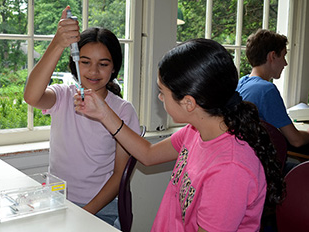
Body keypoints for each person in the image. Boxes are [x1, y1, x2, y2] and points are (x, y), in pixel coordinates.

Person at [74, 38, 285, 231]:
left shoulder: (230, 169)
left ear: (188, 103)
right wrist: (103, 113)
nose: (159, 97)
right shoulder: (196, 131)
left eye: (162, 92)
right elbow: (147, 154)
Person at [23, 6, 140, 229]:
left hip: (100, 208)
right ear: (75, 62)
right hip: (56, 201)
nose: (93, 72)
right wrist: (58, 43)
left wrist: (84, 214)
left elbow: (119, 176)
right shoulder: (63, 96)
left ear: (114, 67)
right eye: (85, 62)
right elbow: (31, 96)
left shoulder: (124, 111)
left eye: (103, 64)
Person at [236, 29, 309, 150]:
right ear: (273, 56)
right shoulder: (266, 90)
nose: (285, 63)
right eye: (284, 56)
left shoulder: (241, 83)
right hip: (260, 163)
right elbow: (296, 140)